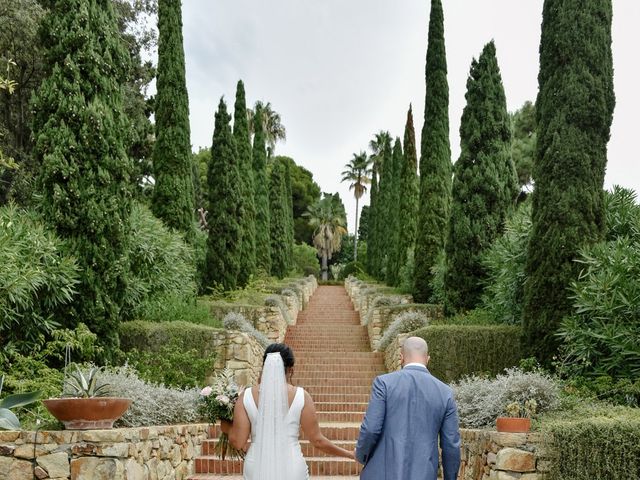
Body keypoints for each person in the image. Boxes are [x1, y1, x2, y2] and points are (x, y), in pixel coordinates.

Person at [222, 343, 354, 480]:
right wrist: (350, 454)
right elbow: (318, 441)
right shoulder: (302, 396)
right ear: (291, 370)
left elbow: (238, 442)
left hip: (256, 466)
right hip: (291, 467)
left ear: (265, 366)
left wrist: (226, 428)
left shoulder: (246, 396)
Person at [355, 336, 461, 480]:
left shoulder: (384, 383)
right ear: (427, 358)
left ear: (401, 357)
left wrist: (361, 455)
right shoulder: (445, 393)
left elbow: (371, 428)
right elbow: (451, 445)